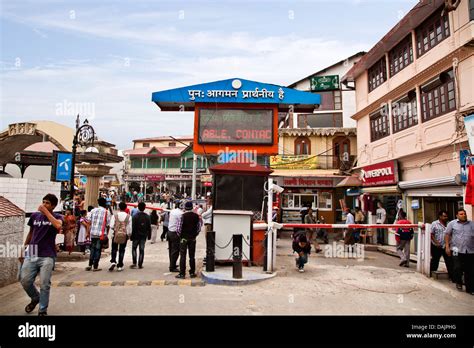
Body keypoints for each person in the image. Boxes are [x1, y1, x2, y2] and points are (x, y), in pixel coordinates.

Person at [20, 194, 63, 316]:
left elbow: (58, 225)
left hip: (47, 254)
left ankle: (42, 310)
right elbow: (31, 233)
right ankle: (35, 297)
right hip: (32, 252)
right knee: (25, 280)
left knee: (45, 284)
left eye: (48, 203)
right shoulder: (34, 216)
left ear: (53, 206)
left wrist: (46, 212)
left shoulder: (58, 216)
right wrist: (24, 248)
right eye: (43, 202)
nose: (44, 205)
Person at [445, 208, 474, 294]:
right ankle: (459, 282)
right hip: (456, 249)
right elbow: (447, 235)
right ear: (457, 215)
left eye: (464, 214)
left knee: (470, 270)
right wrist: (447, 246)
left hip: (470, 250)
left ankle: (470, 288)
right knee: (457, 267)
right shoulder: (452, 224)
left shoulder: (472, 224)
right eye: (461, 214)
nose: (463, 215)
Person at [175, 201, 202, 279]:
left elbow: (178, 229)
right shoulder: (196, 216)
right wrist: (194, 235)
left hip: (183, 238)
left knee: (183, 256)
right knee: (192, 256)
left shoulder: (182, 216)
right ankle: (192, 272)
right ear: (192, 208)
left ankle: (182, 273)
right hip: (192, 238)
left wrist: (181, 236)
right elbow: (199, 228)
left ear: (185, 208)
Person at [86, 198, 111, 272]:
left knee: (92, 249)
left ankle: (90, 264)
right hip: (101, 234)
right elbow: (108, 224)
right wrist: (107, 233)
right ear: (105, 203)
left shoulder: (93, 211)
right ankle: (95, 266)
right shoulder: (107, 212)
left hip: (93, 233)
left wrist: (87, 232)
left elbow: (89, 222)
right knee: (98, 249)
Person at [430, 210, 453, 280]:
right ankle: (431, 273)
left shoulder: (449, 224)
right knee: (435, 260)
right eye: (444, 216)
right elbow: (431, 234)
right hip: (436, 246)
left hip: (446, 246)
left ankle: (451, 276)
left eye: (446, 216)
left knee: (449, 261)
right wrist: (436, 242)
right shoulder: (434, 223)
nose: (446, 217)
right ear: (440, 216)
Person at [109, 202, 132, 272]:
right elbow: (129, 228)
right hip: (124, 235)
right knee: (122, 250)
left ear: (119, 208)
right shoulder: (129, 217)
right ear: (125, 208)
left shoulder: (114, 215)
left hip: (115, 235)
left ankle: (113, 261)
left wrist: (116, 229)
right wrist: (128, 235)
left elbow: (111, 226)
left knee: (114, 248)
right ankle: (120, 265)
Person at [130, 202, 151, 269]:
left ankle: (134, 263)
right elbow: (149, 227)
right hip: (143, 236)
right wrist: (149, 235)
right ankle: (140, 264)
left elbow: (132, 227)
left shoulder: (135, 216)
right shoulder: (147, 216)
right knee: (141, 250)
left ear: (138, 207)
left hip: (136, 235)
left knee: (134, 248)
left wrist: (131, 236)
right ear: (144, 208)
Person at [167, 200, 184, 272]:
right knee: (175, 250)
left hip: (169, 231)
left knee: (171, 249)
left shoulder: (172, 211)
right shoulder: (181, 214)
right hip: (175, 233)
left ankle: (172, 263)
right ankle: (172, 267)